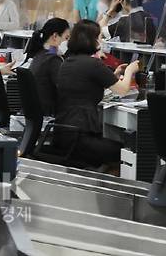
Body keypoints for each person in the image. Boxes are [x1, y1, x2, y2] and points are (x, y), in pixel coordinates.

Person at [55, 20, 140, 166]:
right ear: (91, 39)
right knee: (125, 151)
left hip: (64, 134)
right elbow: (123, 90)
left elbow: (87, 85)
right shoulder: (93, 64)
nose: (101, 41)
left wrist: (114, 74)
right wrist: (130, 70)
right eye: (99, 37)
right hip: (80, 138)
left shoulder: (67, 62)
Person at [25, 18, 70, 116]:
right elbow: (65, 88)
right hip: (48, 114)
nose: (67, 42)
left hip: (37, 113)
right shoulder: (53, 60)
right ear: (55, 36)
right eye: (66, 38)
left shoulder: (40, 54)